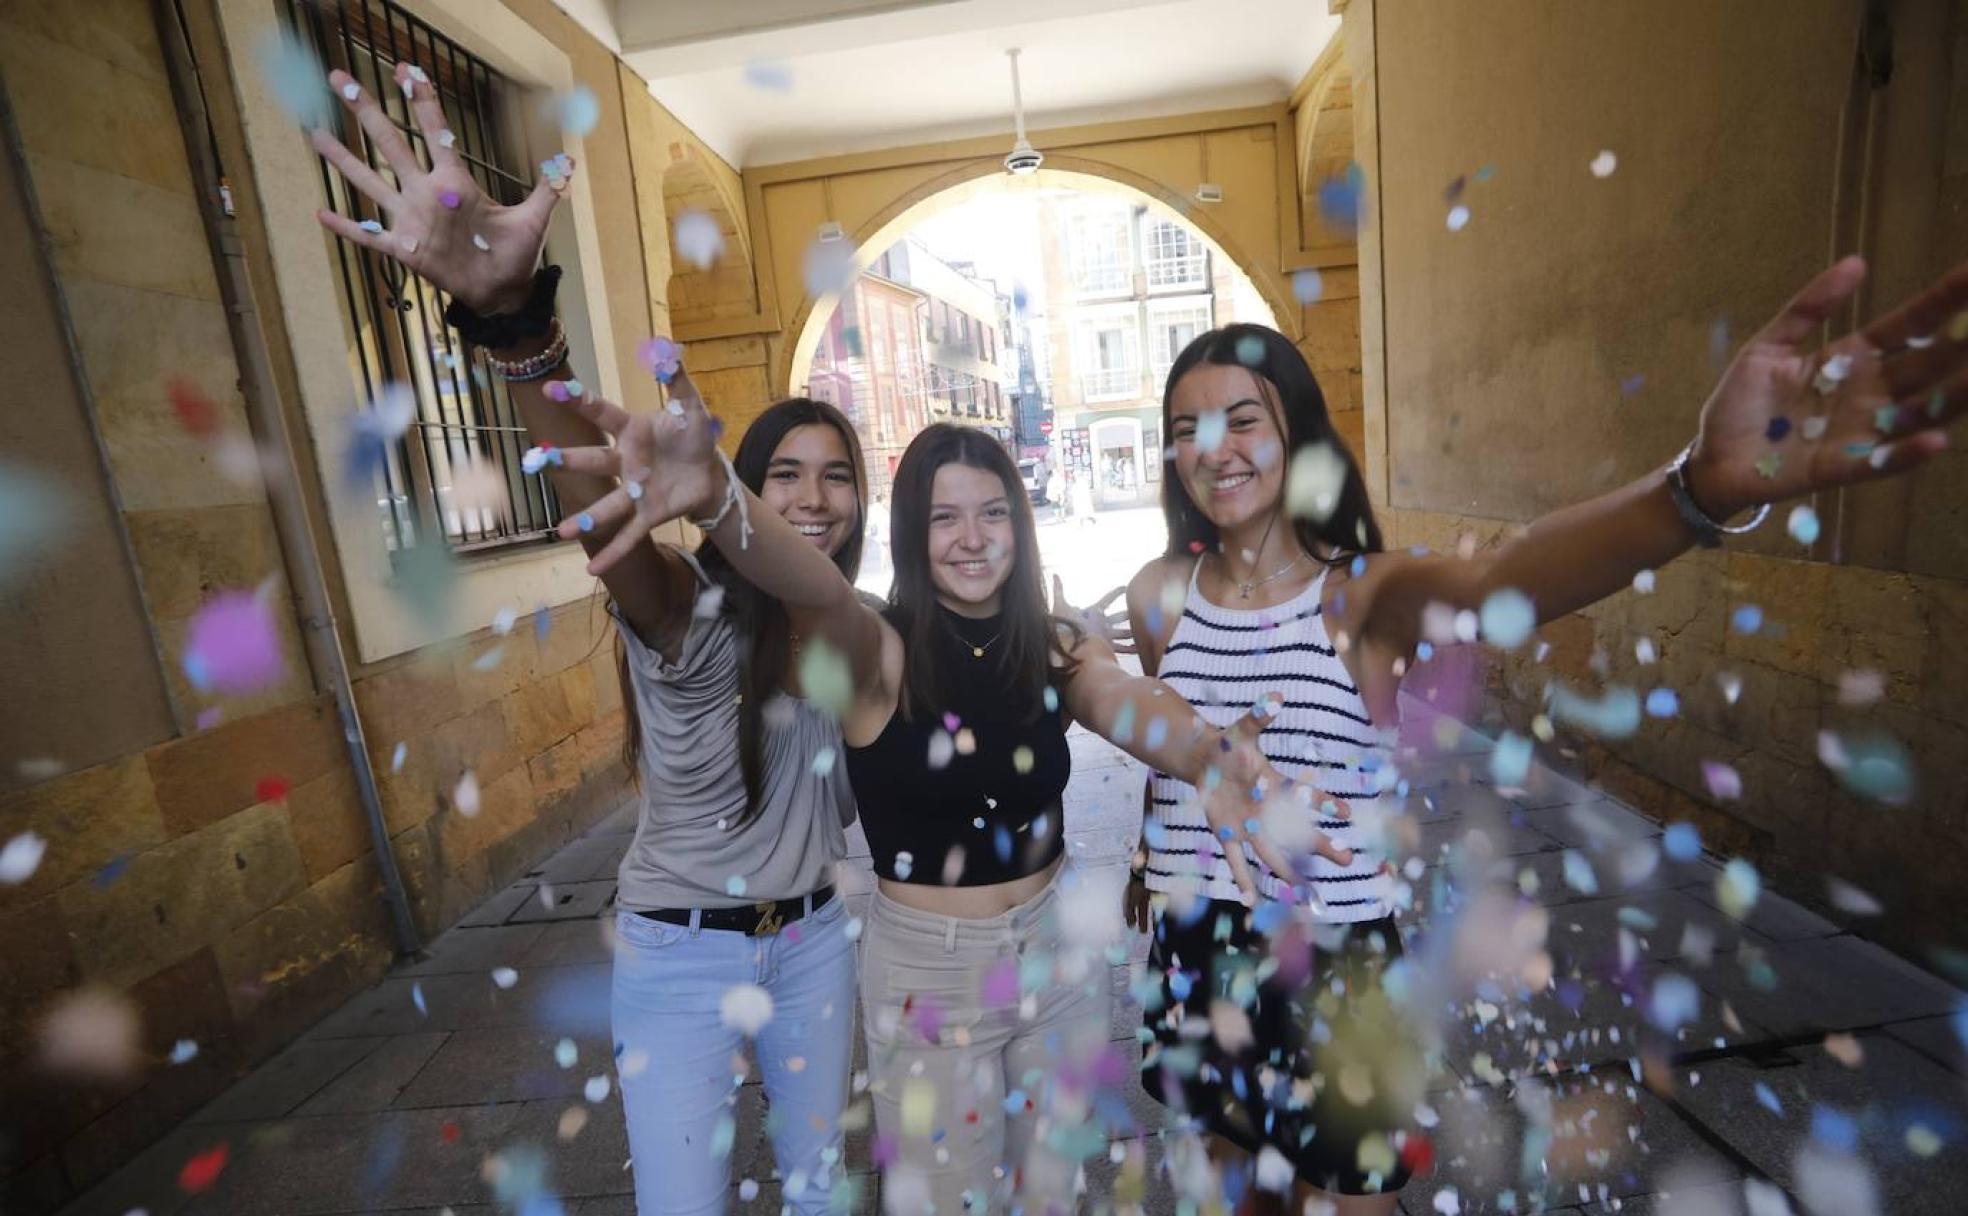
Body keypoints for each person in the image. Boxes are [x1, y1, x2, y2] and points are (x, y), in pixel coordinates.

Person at [1125, 286, 1968, 1215]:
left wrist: (1698, 487)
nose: (1214, 449)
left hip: (1333, 964)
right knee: (1231, 1188)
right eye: (1187, 427)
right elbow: (1178, 742)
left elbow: (1506, 578)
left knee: (1343, 1202)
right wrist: (1145, 850)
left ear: (1298, 436)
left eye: (1243, 419)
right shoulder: (1159, 596)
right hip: (1197, 944)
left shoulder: (1361, 596)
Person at [554, 385, 1356, 1213]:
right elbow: (819, 593)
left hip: (1057, 955)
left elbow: (1121, 696)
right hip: (927, 975)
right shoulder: (876, 650)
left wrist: (1203, 753)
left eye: (994, 513)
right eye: (944, 518)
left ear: (1022, 521)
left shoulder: (1055, 643)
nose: (973, 539)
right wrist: (727, 502)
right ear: (909, 532)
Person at [307, 63, 867, 1216]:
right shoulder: (681, 607)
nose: (812, 500)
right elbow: (609, 505)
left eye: (837, 479)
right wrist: (516, 328)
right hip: (682, 956)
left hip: (814, 943)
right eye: (783, 477)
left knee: (821, 1193)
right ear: (731, 489)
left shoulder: (856, 628)